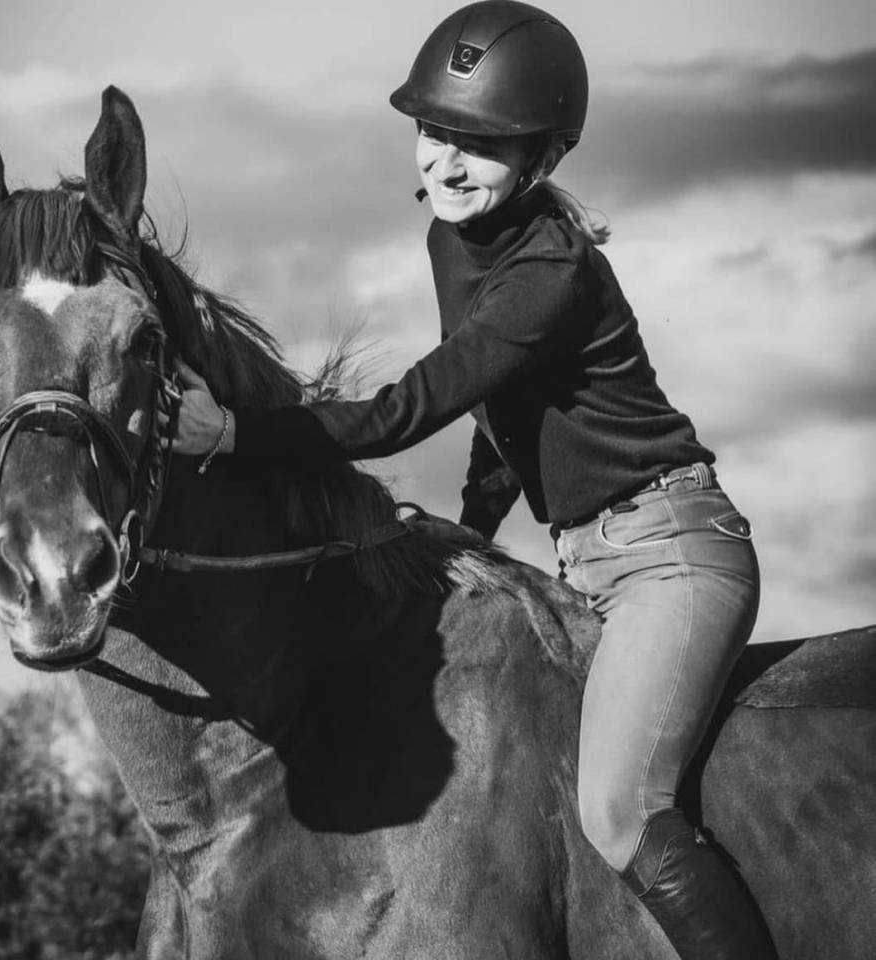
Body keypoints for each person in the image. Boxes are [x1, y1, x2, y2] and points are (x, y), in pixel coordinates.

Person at [169, 3, 774, 957]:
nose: (445, 162)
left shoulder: (552, 273)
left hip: (673, 561)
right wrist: (472, 533)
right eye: (432, 131)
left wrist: (235, 432)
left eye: (478, 145)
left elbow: (412, 408)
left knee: (617, 813)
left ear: (541, 157)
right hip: (591, 563)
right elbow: (504, 417)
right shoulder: (456, 240)